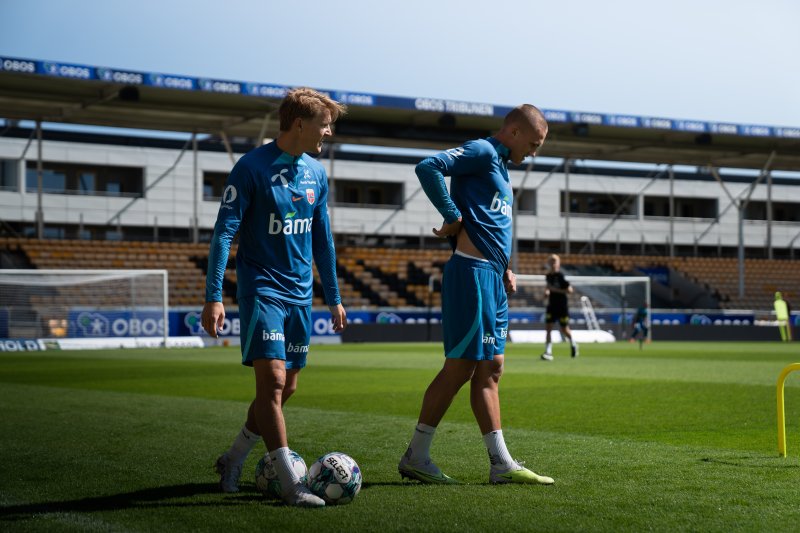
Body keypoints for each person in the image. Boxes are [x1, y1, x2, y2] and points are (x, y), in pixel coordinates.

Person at [202, 88, 347, 507]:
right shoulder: (249, 168)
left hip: (301, 294)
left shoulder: (316, 174)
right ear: (299, 124)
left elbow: (323, 242)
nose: (329, 131)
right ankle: (290, 483)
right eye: (324, 123)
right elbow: (224, 232)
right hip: (262, 288)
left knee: (289, 388)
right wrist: (214, 296)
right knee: (274, 381)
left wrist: (333, 297)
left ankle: (232, 459)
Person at [398, 104, 554, 486]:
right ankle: (417, 455)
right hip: (471, 274)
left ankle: (500, 465)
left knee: (492, 367)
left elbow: (492, 222)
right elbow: (428, 167)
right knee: (461, 368)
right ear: (514, 132)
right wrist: (452, 216)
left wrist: (505, 267)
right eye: (533, 144)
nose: (534, 152)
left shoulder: (499, 167)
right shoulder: (483, 151)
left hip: (492, 277)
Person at [540, 254, 578, 360]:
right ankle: (548, 352)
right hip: (551, 305)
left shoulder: (561, 276)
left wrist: (555, 290)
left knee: (565, 329)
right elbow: (548, 287)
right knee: (548, 329)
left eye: (554, 261)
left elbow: (570, 290)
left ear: (558, 263)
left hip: (562, 306)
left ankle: (573, 344)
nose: (553, 263)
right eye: (551, 261)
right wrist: (547, 292)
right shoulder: (548, 276)